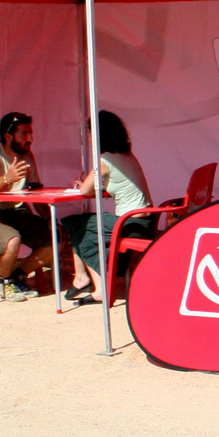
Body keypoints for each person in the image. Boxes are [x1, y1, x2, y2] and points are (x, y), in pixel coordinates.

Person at [60, 110, 154, 305]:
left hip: (129, 222)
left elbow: (85, 191)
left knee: (75, 223)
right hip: (145, 221)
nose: (89, 136)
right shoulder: (126, 155)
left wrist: (84, 183)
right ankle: (83, 278)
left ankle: (92, 283)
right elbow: (118, 187)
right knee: (84, 226)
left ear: (98, 134)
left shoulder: (105, 160)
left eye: (89, 132)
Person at [0, 111, 53, 302]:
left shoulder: (27, 156)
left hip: (15, 211)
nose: (30, 139)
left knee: (56, 237)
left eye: (30, 133)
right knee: (12, 240)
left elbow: (35, 191)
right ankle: (5, 282)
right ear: (8, 136)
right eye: (24, 134)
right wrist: (8, 178)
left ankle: (17, 276)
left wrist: (49, 219)